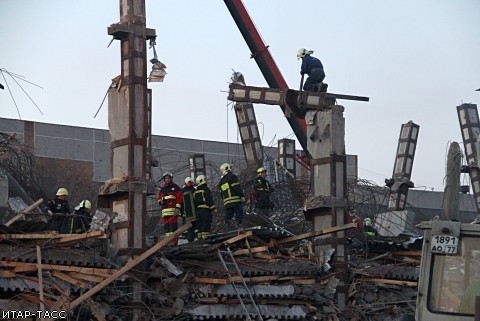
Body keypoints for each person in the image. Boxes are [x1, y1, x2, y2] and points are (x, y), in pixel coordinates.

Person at [158, 171, 182, 244]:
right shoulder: (162, 189)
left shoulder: (175, 187)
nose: (167, 179)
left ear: (171, 178)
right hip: (165, 212)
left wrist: (177, 208)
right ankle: (168, 242)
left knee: (173, 228)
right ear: (164, 179)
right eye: (166, 178)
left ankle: (174, 242)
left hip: (173, 212)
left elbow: (179, 198)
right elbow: (159, 198)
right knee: (167, 230)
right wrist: (160, 202)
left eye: (168, 178)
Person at [218, 163, 245, 230]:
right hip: (235, 200)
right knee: (239, 213)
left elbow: (221, 193)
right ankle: (239, 226)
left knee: (228, 215)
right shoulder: (232, 177)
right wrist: (241, 196)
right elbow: (236, 187)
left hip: (227, 202)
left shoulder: (221, 181)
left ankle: (228, 226)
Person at [181, 177, 197, 242]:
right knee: (193, 226)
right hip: (193, 213)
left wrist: (182, 212)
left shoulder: (183, 191)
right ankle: (192, 238)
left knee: (189, 226)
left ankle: (190, 238)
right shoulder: (193, 190)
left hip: (187, 213)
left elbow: (181, 203)